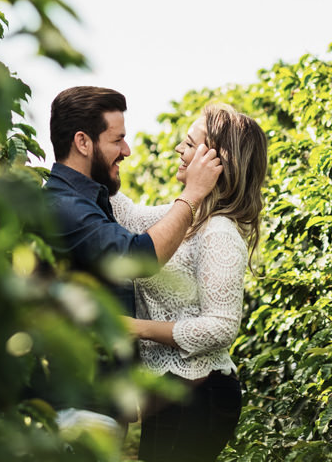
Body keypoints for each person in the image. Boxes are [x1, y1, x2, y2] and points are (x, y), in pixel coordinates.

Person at [42, 86, 223, 438]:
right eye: (117, 140)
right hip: (77, 410)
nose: (126, 151)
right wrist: (193, 193)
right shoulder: (63, 206)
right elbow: (139, 258)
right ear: (83, 142)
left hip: (94, 408)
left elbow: (145, 222)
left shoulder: (94, 203)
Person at [111, 103, 267, 462]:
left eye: (189, 143)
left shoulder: (219, 232)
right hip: (172, 391)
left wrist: (137, 328)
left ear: (216, 162)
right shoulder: (186, 217)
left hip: (201, 392)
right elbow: (128, 215)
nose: (179, 150)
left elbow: (223, 326)